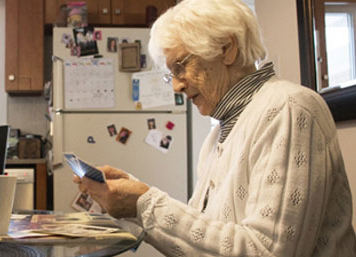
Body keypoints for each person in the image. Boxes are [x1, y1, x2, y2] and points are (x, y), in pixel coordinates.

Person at [75, 0, 356, 256]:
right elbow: (204, 238)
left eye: (181, 66)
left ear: (227, 48)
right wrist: (133, 200)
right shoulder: (216, 137)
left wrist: (144, 204)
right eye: (171, 74)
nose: (177, 85)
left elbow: (268, 251)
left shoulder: (290, 109)